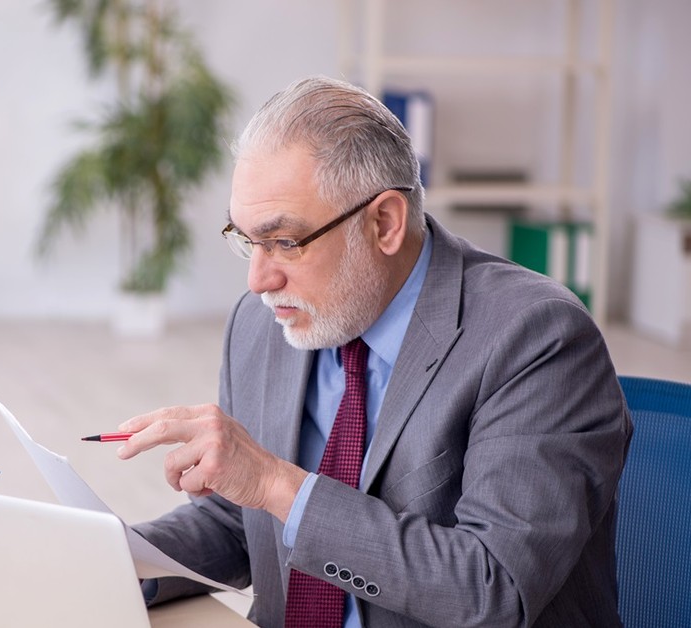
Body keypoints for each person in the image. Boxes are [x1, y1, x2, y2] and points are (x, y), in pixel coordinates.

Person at [116, 76, 633, 628]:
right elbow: (244, 522)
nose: (259, 278)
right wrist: (113, 554)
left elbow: (493, 589)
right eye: (245, 239)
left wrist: (274, 482)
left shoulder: (536, 338)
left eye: (284, 242)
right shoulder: (263, 322)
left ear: (384, 222)